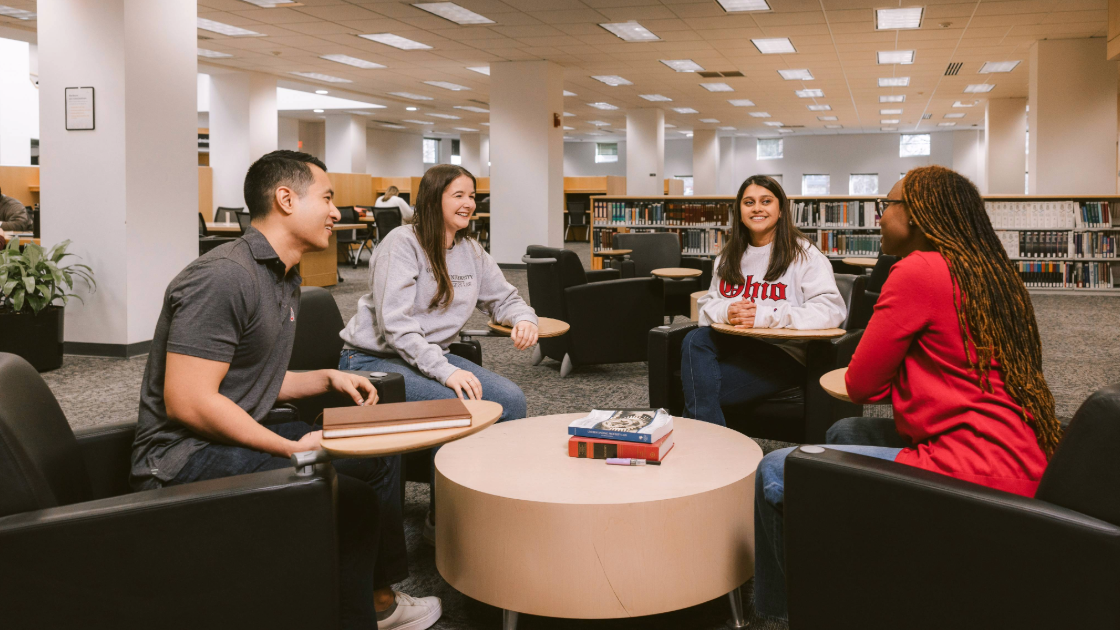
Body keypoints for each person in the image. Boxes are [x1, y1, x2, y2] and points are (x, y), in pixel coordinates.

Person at [129, 150, 441, 630]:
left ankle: (378, 599)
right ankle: (355, 613)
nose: (338, 212)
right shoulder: (225, 276)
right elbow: (189, 401)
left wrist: (325, 378)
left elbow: (245, 381)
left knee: (377, 453)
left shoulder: (283, 273)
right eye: (328, 198)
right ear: (285, 199)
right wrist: (292, 447)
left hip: (227, 431)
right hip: (181, 456)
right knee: (350, 497)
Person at [748, 165, 1058, 629]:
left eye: (885, 206)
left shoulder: (916, 270)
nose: (878, 217)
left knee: (775, 469)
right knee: (844, 432)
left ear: (916, 215)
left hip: (971, 466)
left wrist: (898, 369)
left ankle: (775, 613)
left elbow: (862, 386)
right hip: (1021, 452)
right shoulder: (987, 268)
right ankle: (858, 557)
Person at [339, 163, 538, 536]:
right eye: (458, 195)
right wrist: (447, 371)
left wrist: (524, 319)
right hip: (374, 360)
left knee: (512, 400)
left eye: (472, 196)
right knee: (460, 407)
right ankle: (444, 521)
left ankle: (475, 497)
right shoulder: (401, 243)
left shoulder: (471, 251)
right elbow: (396, 327)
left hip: (429, 357)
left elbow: (505, 298)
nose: (468, 203)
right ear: (434, 199)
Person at [681, 175, 846, 426]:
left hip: (783, 352)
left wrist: (766, 316)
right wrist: (728, 311)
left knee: (698, 393)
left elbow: (832, 310)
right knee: (694, 338)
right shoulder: (728, 256)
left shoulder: (805, 255)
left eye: (766, 201)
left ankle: (705, 441)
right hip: (738, 344)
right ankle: (711, 442)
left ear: (780, 210)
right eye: (749, 202)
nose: (757, 208)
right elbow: (707, 305)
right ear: (739, 211)